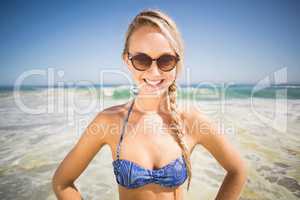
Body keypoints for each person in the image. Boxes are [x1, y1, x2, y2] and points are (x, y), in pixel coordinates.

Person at [52, 8, 247, 200]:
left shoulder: (191, 120)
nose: (154, 72)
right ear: (127, 61)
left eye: (166, 60)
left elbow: (237, 171)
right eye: (142, 60)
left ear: (177, 62)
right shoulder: (109, 121)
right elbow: (62, 182)